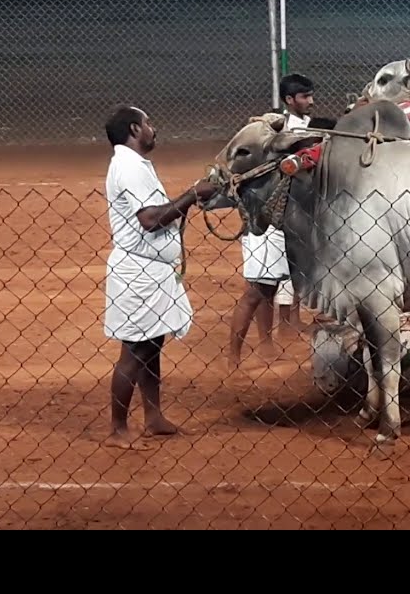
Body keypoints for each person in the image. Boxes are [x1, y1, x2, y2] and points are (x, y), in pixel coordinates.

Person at [102, 104, 215, 450]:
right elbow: (150, 219)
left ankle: (153, 417)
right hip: (138, 272)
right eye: (148, 123)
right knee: (134, 350)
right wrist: (193, 196)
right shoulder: (130, 167)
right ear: (134, 130)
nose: (154, 129)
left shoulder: (133, 164)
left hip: (150, 270)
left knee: (152, 344)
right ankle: (118, 430)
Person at [227, 74, 319, 363]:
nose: (311, 101)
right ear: (290, 100)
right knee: (257, 291)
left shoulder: (309, 128)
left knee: (283, 279)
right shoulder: (269, 133)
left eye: (311, 95)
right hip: (264, 223)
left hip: (289, 220)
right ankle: (234, 357)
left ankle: (273, 341)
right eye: (305, 96)